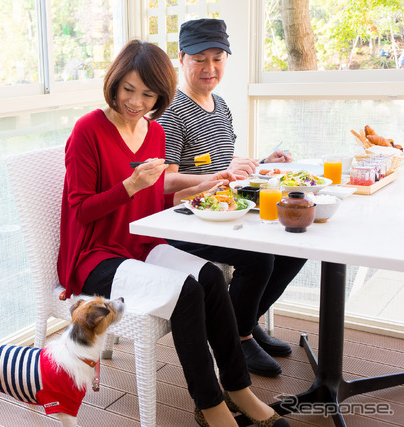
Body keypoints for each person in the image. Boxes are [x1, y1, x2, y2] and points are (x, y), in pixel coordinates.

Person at [57, 39, 289, 427]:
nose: (135, 102)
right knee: (187, 293)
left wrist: (202, 185)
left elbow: (157, 188)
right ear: (114, 82)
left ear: (160, 96)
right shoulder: (88, 130)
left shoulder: (154, 133)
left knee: (211, 278)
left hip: (140, 244)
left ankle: (239, 389)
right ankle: (211, 405)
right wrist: (128, 187)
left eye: (148, 94)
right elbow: (81, 210)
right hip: (95, 255)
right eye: (128, 89)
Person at [157, 18, 307, 377]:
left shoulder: (220, 106)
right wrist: (214, 178)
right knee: (260, 258)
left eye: (218, 58)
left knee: (294, 241)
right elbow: (163, 183)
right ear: (181, 59)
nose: (210, 68)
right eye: (199, 59)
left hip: (222, 210)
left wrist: (261, 164)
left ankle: (246, 321)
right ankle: (238, 338)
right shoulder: (171, 112)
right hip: (181, 221)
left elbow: (226, 165)